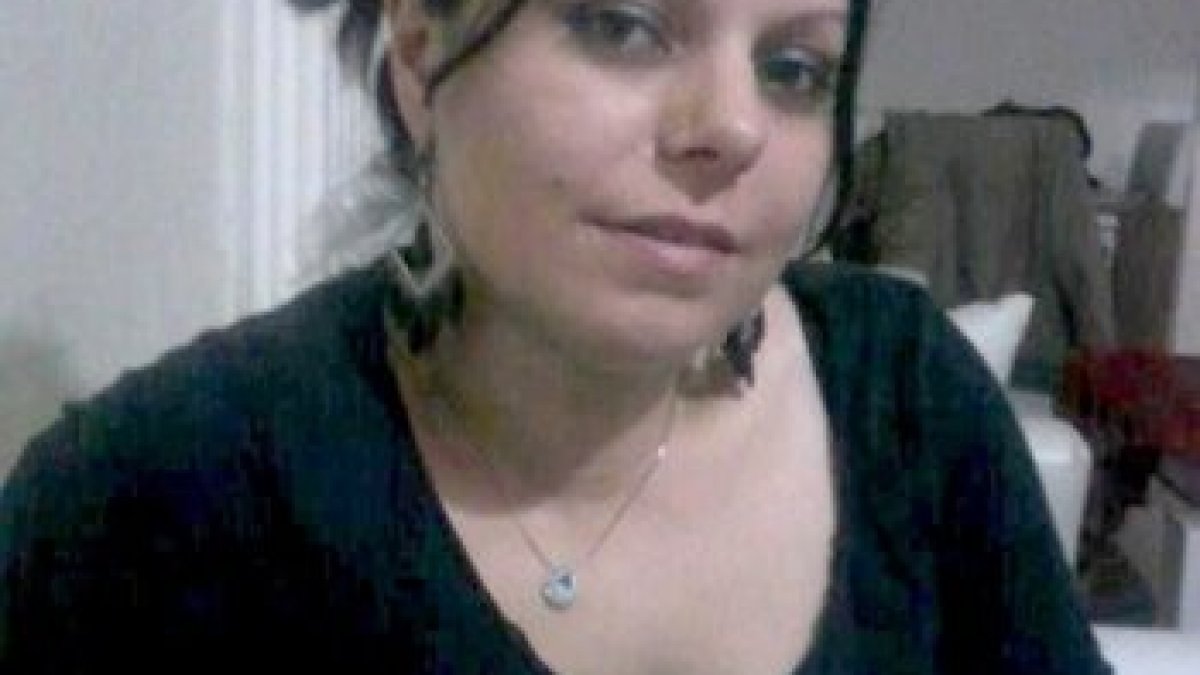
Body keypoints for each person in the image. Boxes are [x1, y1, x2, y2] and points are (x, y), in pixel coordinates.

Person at [0, 0, 1112, 672]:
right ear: (421, 55)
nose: (732, 126)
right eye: (622, 24)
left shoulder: (910, 397)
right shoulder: (158, 494)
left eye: (794, 69)